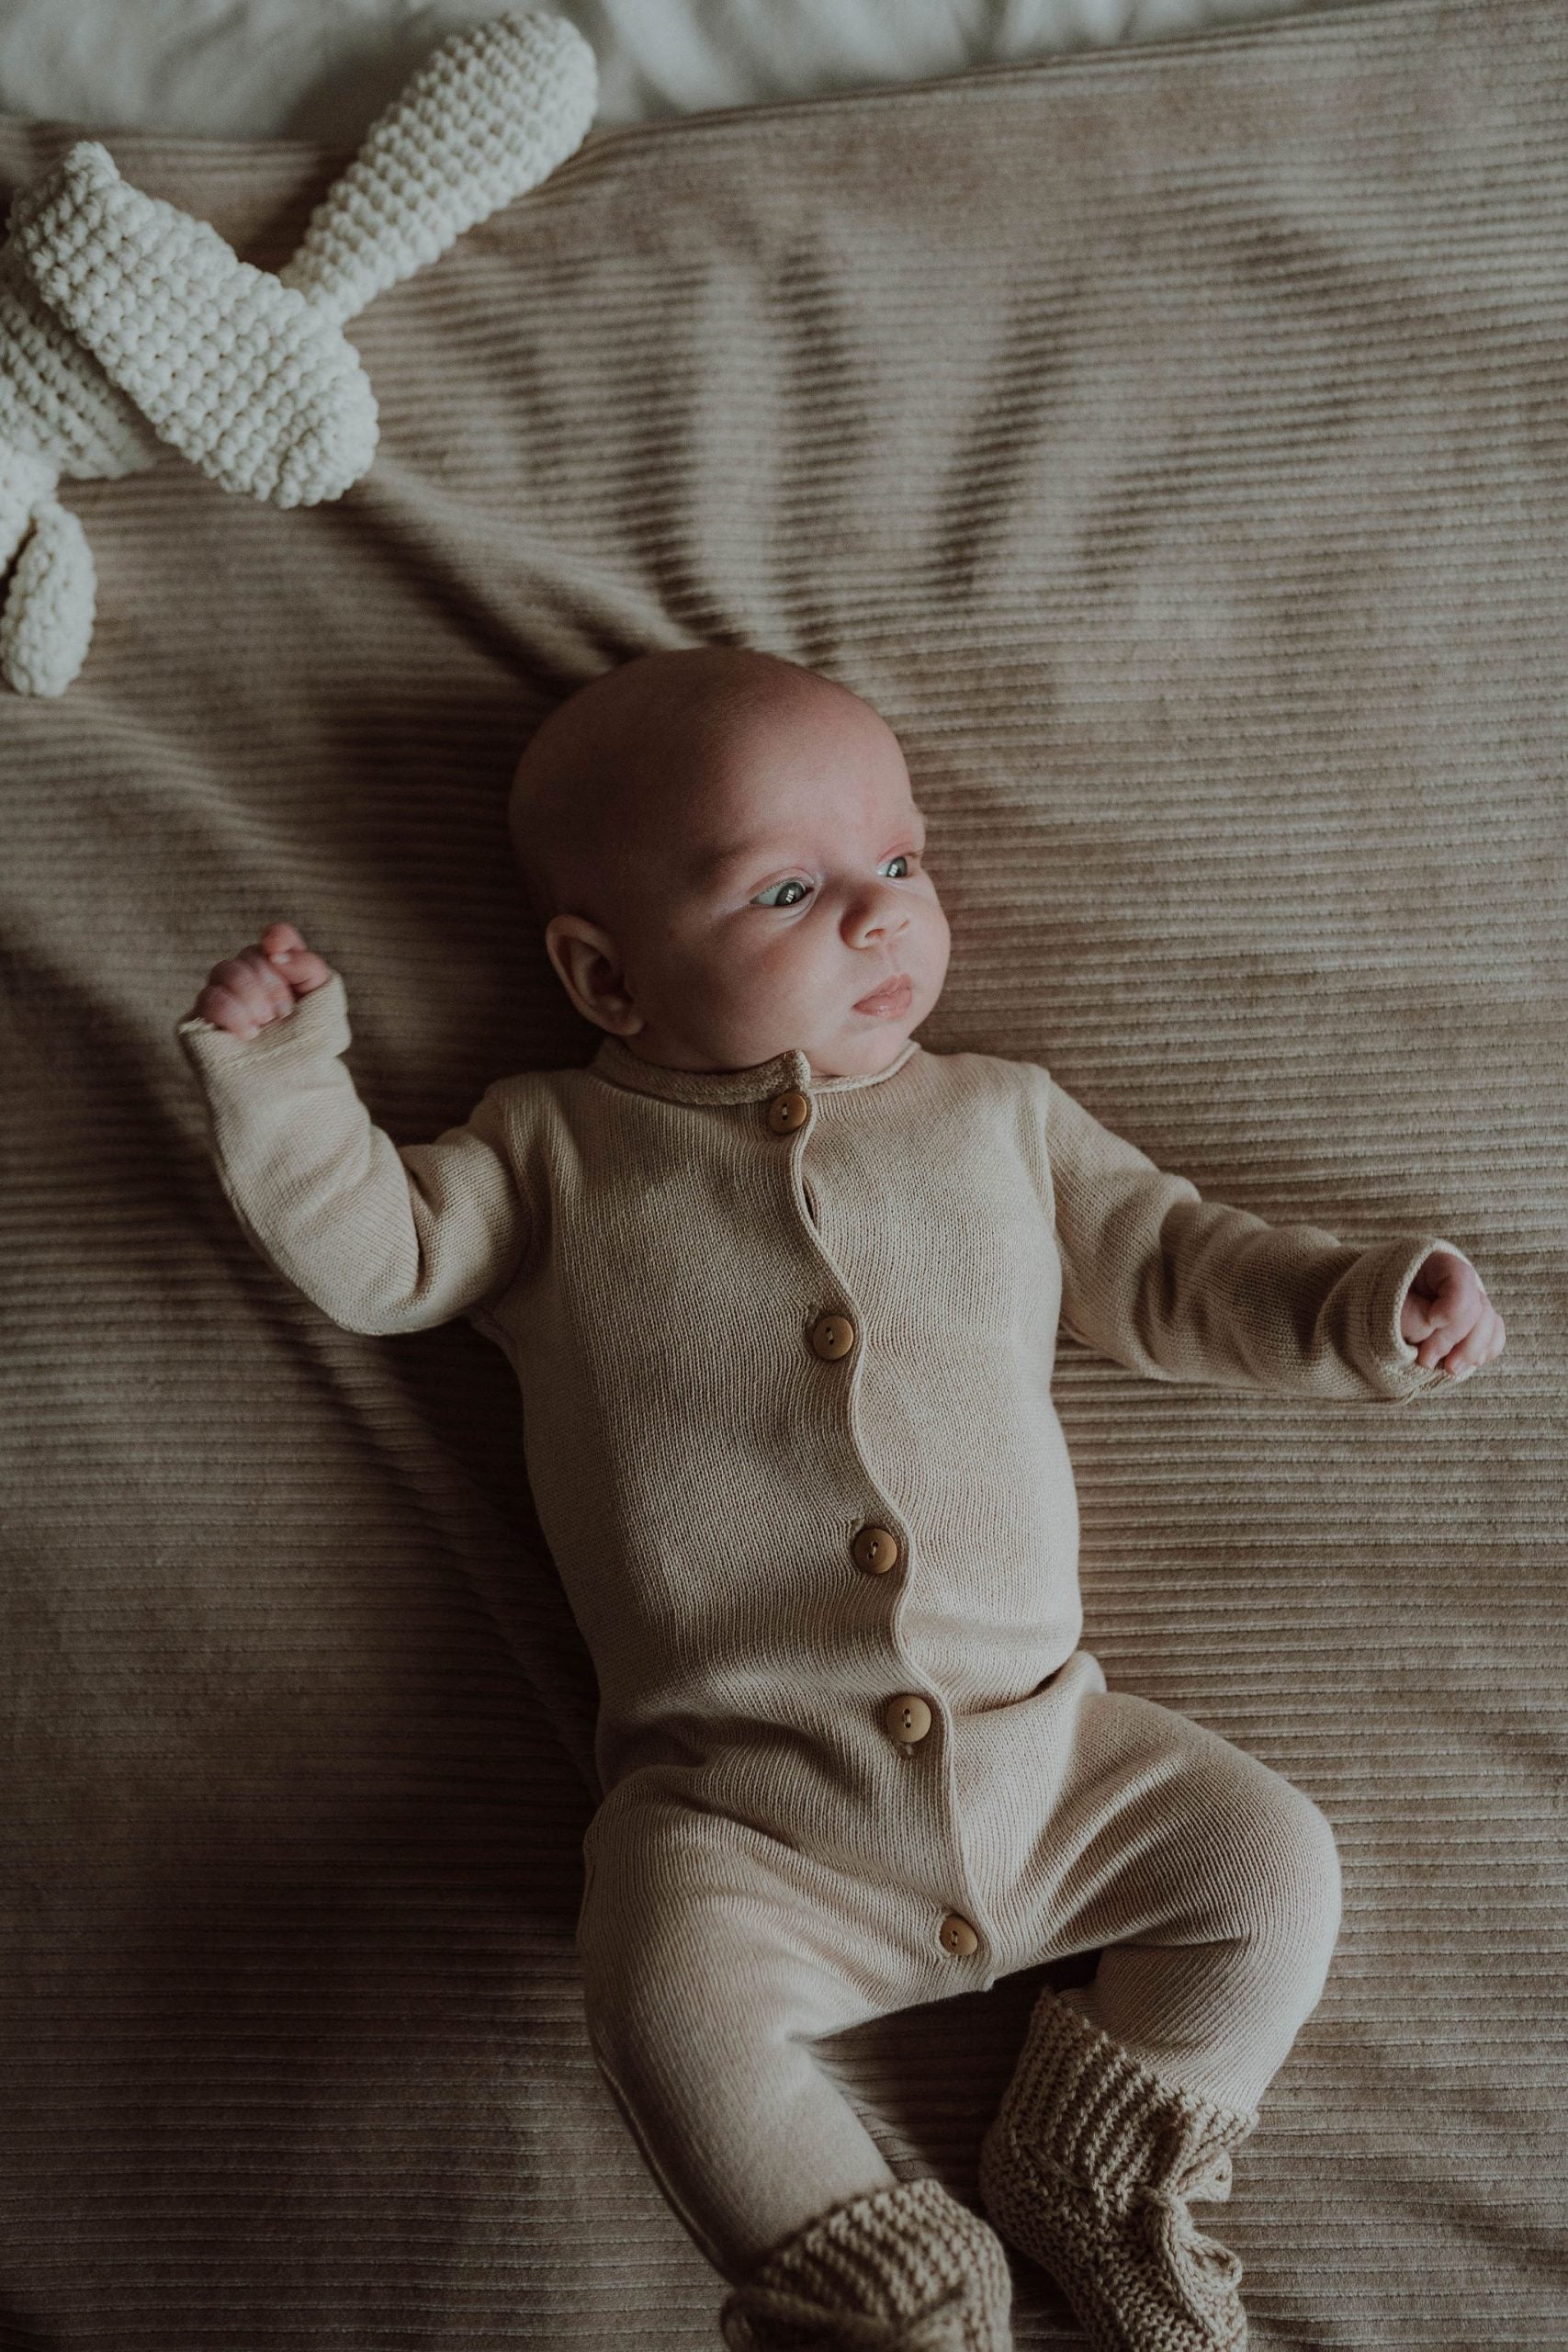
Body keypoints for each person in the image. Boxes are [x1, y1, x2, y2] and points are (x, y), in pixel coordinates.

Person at [176, 647, 1505, 2352]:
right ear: (605, 975)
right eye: (791, 890)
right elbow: (382, 1256)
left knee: (1268, 1865)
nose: (882, 915)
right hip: (742, 1813)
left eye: (899, 861)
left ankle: (1105, 2170)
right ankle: (879, 2286)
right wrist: (286, 1084)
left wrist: (1363, 1308)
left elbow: (1179, 1264)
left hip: (1050, 1760)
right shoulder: (547, 1152)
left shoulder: (1001, 1121)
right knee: (659, 1995)